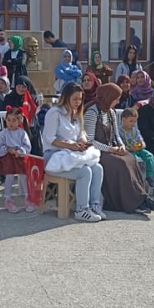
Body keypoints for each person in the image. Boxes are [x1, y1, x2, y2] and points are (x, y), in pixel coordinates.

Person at [84, 83, 154, 214]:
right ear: (108, 97)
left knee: (131, 159)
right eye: (116, 98)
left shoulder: (111, 112)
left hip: (111, 148)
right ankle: (131, 202)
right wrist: (110, 149)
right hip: (97, 152)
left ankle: (141, 198)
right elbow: (89, 141)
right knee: (121, 163)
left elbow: (116, 134)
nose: (118, 101)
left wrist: (121, 146)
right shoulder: (92, 113)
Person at [42, 82, 105, 222]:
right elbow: (50, 138)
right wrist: (72, 146)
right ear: (66, 98)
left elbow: (81, 134)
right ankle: (81, 209)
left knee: (97, 168)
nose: (78, 102)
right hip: (53, 157)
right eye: (75, 99)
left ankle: (94, 205)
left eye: (80, 99)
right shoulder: (54, 113)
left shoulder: (76, 114)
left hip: (71, 154)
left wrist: (82, 142)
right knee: (85, 172)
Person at [0, 107, 37, 213]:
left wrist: (20, 151)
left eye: (14, 120)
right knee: (9, 175)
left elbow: (27, 147)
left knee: (23, 175)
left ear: (19, 121)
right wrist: (7, 149)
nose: (11, 123)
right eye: (8, 120)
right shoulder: (3, 133)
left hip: (20, 157)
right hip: (7, 158)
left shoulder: (22, 133)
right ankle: (8, 199)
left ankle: (27, 197)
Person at [119, 107, 154, 190]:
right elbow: (120, 144)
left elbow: (142, 142)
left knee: (149, 156)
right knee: (134, 159)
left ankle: (149, 176)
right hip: (128, 151)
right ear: (123, 120)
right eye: (131, 121)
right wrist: (129, 148)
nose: (133, 123)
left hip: (138, 149)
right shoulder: (119, 131)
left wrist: (141, 145)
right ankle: (135, 178)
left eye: (135, 121)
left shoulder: (135, 130)